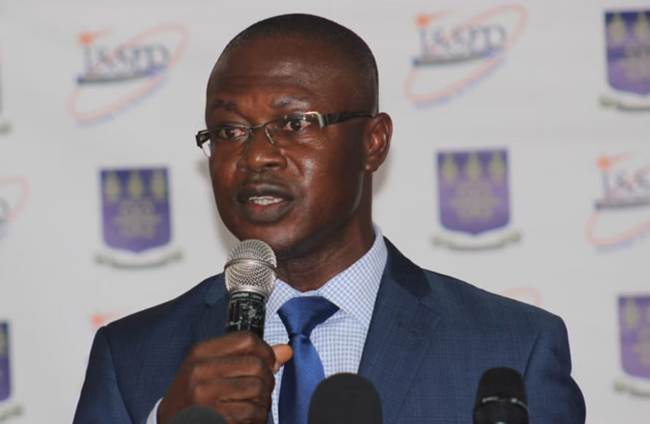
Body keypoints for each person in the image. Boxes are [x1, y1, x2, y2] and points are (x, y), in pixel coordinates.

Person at [73, 13, 586, 424]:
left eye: (294, 123)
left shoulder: (511, 348)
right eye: (229, 131)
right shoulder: (131, 357)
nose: (256, 156)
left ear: (373, 142)